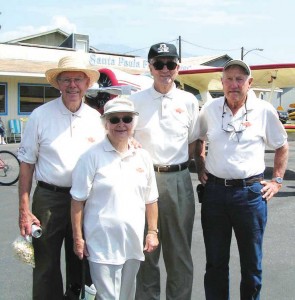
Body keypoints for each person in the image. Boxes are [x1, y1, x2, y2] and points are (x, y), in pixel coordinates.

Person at [195, 59, 289, 300]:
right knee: (215, 263)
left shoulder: (264, 110)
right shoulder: (210, 109)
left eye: (239, 79)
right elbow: (199, 139)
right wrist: (201, 164)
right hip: (215, 194)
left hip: (250, 195)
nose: (233, 84)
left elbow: (281, 145)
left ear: (249, 83)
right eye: (229, 79)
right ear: (222, 82)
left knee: (252, 264)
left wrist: (277, 180)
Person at [18, 55, 105, 300]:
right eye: (66, 79)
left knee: (83, 260)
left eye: (78, 79)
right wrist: (24, 209)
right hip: (48, 198)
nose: (72, 85)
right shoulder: (40, 115)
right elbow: (26, 164)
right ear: (57, 84)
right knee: (45, 266)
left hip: (86, 199)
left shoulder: (96, 120)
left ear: (87, 83)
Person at [70, 97, 159, 300]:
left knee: (127, 296)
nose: (121, 124)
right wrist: (78, 239)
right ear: (105, 124)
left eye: (126, 119)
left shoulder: (143, 157)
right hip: (101, 245)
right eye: (114, 119)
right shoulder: (90, 157)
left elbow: (151, 199)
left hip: (132, 243)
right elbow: (77, 201)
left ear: (133, 123)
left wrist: (152, 232)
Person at [130, 42, 199, 300]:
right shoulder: (134, 101)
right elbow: (121, 136)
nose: (165, 69)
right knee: (146, 252)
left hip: (179, 179)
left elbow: (193, 142)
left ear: (178, 68)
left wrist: (178, 168)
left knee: (179, 253)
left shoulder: (189, 101)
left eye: (170, 64)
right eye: (159, 64)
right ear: (150, 67)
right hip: (144, 181)